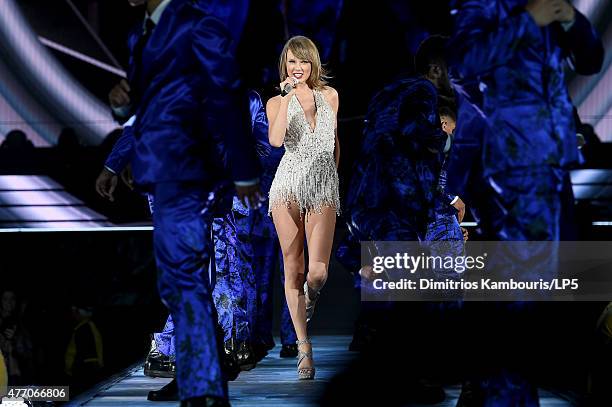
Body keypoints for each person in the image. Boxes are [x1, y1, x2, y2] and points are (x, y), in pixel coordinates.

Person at [106, 1, 261, 405]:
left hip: (191, 172)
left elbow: (226, 95)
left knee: (188, 278)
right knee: (179, 282)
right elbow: (145, 108)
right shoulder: (142, 33)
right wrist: (120, 125)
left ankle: (204, 388)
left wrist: (243, 170)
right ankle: (203, 375)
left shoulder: (196, 26)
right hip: (161, 175)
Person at [448, 0, 604, 404]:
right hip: (513, 165)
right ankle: (502, 394)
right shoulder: (486, 6)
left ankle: (509, 391)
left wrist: (570, 19)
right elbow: (463, 65)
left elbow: (590, 60)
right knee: (517, 293)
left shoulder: (552, 7)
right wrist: (526, 21)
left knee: (538, 294)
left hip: (551, 164)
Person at [267, 35, 340, 380]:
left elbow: (335, 143)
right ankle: (304, 348)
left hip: (322, 182)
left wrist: (333, 178)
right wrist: (285, 99)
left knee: (317, 272)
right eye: (291, 62)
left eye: (304, 62)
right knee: (292, 268)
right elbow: (276, 140)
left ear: (314, 64)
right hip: (287, 184)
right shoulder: (276, 101)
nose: (298, 68)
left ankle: (310, 297)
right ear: (284, 65)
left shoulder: (330, 96)